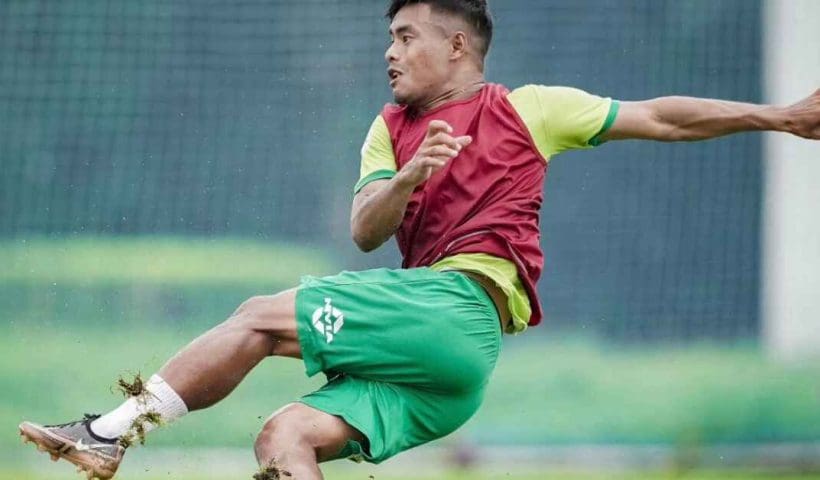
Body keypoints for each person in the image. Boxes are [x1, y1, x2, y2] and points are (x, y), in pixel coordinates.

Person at [19, 1, 819, 479]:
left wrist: (779, 115)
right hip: (440, 369)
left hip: (454, 313)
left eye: (406, 35)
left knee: (260, 316)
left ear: (458, 46)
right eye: (389, 38)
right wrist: (407, 179)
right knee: (285, 435)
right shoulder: (389, 129)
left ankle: (107, 434)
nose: (390, 51)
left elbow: (660, 116)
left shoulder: (528, 108)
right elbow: (366, 230)